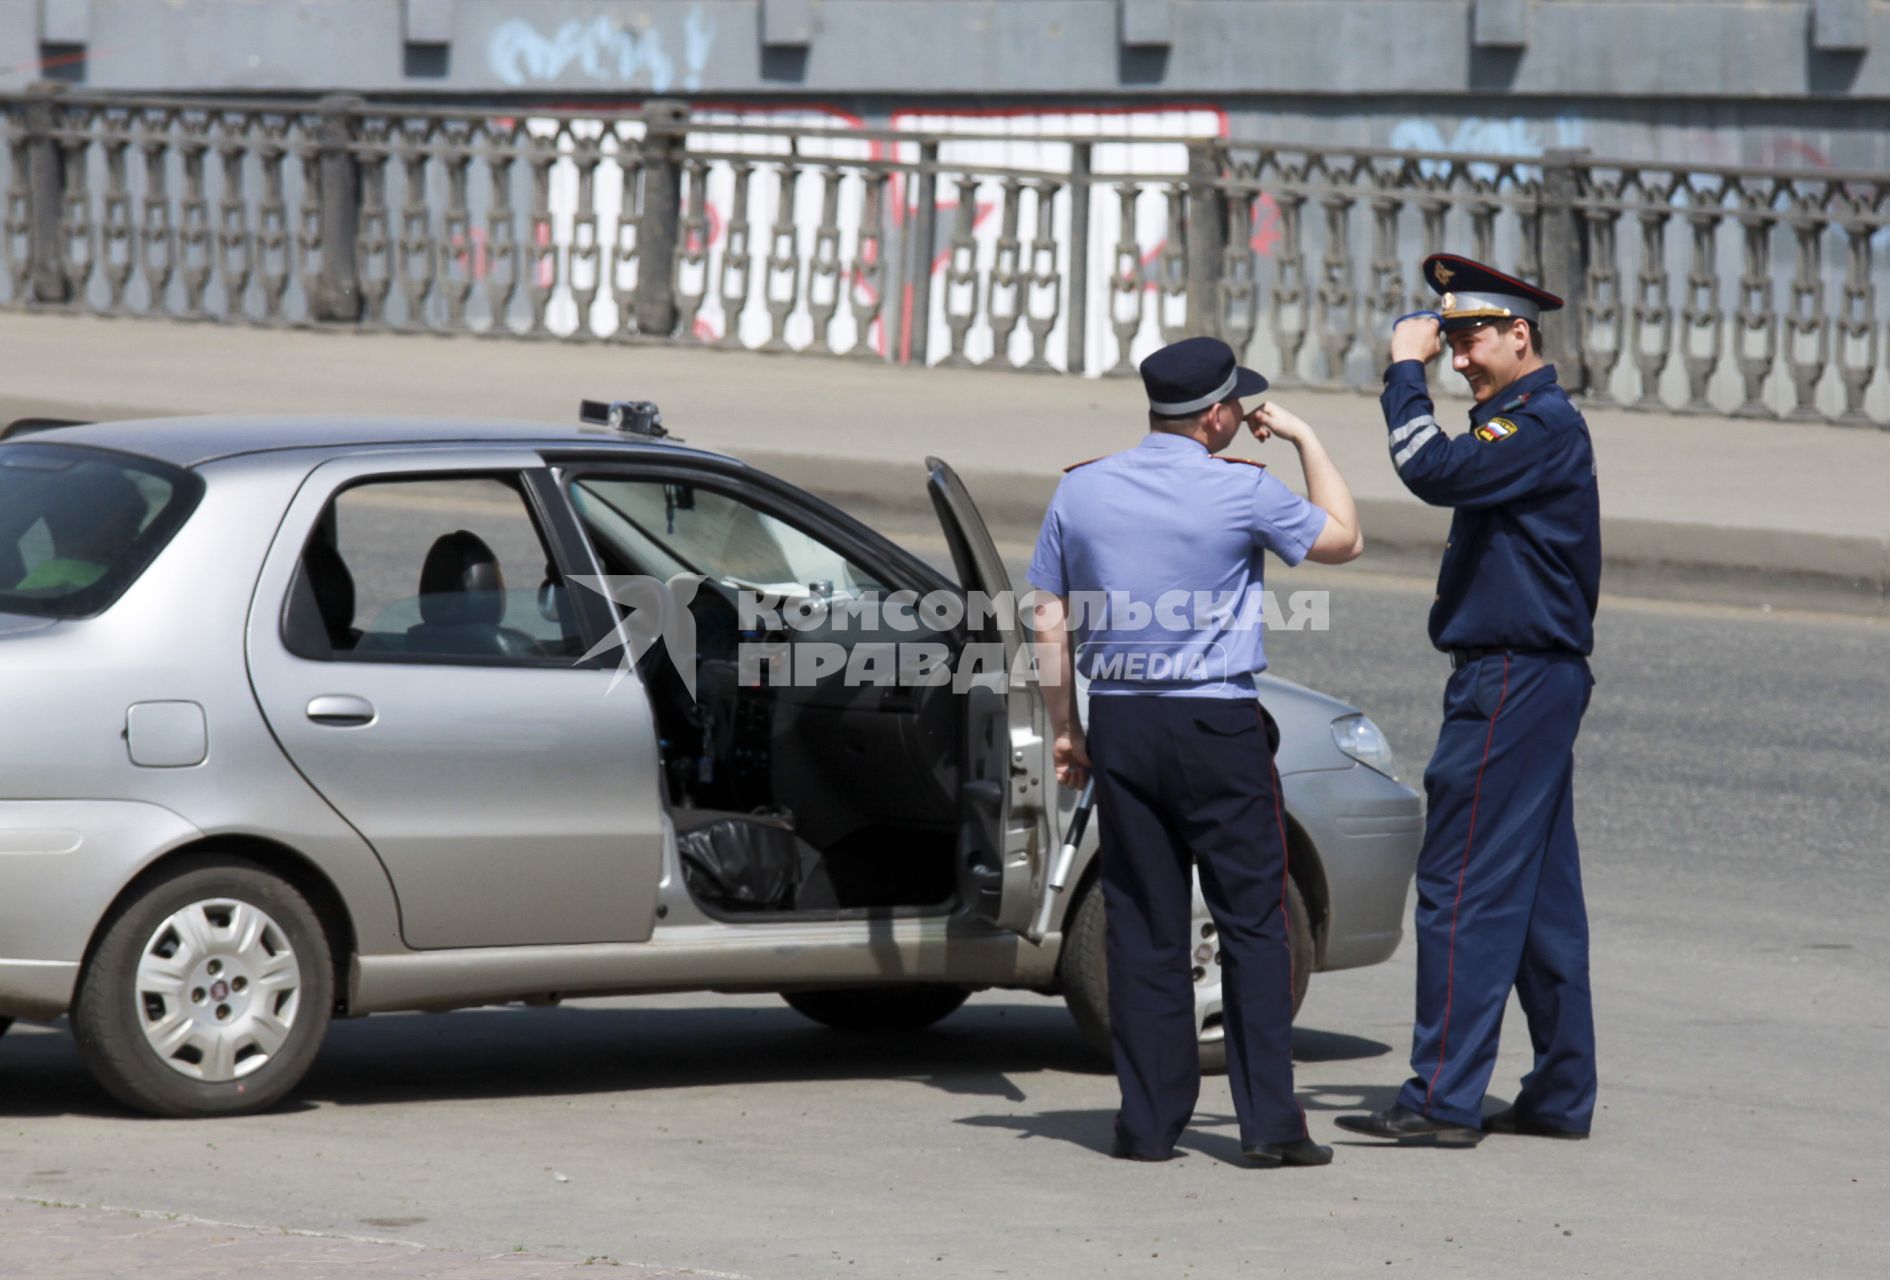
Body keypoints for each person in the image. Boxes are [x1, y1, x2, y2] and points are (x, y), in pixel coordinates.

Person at [1027, 335, 1364, 1165]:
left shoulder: (1083, 488)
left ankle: (1145, 1126)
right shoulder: (1243, 489)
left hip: (1127, 725)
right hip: (1217, 727)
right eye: (1239, 407)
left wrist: (1067, 729)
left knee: (1142, 926)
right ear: (1216, 415)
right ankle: (1271, 1129)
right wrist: (1304, 438)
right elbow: (1344, 538)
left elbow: (1046, 618)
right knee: (1253, 922)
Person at [1335, 254, 1601, 1147]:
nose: (1458, 357)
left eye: (1469, 337)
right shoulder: (1516, 421)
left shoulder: (1536, 426)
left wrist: (1401, 372)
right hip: (1528, 676)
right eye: (1446, 340)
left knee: (1460, 885)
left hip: (1512, 679)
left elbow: (1431, 470)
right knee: (1537, 897)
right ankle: (1562, 1091)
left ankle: (1442, 1097)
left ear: (1520, 335)